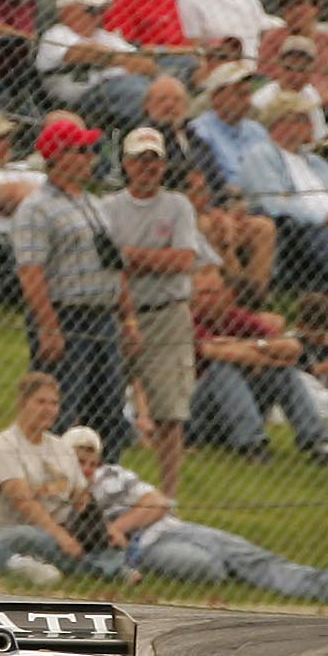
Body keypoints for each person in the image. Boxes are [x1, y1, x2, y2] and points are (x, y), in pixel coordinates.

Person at [77, 435, 328, 603]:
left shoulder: (113, 475)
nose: (88, 468)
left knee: (253, 556)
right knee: (210, 568)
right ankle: (242, 570)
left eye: (92, 461)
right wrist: (134, 519)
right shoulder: (68, 492)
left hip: (174, 529)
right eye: (80, 461)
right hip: (146, 549)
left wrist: (115, 526)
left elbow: (158, 504)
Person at [11, 118, 132, 457]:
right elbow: (30, 272)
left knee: (108, 408)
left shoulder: (94, 204)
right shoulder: (36, 208)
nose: (92, 157)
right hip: (66, 316)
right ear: (59, 156)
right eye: (83, 150)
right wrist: (48, 326)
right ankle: (48, 474)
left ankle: (104, 478)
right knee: (59, 407)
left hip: (103, 316)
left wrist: (129, 318)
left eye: (91, 149)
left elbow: (115, 265)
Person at [98, 126, 207, 501]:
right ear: (126, 163)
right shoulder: (109, 207)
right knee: (103, 402)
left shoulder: (178, 205)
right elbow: (108, 266)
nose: (148, 167)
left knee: (169, 412)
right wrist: (145, 261)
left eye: (154, 160)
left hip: (168, 312)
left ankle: (169, 498)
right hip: (115, 311)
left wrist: (130, 256)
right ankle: (99, 487)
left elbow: (184, 260)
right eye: (140, 160)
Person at [184, 263, 328, 463]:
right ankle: (253, 444)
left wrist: (249, 345)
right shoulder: (190, 322)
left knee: (284, 373)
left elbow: (293, 349)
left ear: (229, 295)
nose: (205, 300)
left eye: (212, 293)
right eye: (200, 294)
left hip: (243, 405)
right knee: (221, 369)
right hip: (202, 417)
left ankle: (320, 446)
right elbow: (216, 352)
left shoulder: (237, 318)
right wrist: (268, 355)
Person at [0, 371, 94, 578]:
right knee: (33, 536)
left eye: (54, 403)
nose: (49, 410)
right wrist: (60, 536)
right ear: (22, 403)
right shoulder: (3, 445)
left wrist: (91, 528)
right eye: (40, 402)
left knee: (93, 536)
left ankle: (83, 562)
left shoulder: (61, 448)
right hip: (9, 533)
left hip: (61, 530)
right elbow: (24, 503)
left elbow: (82, 496)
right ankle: (103, 569)